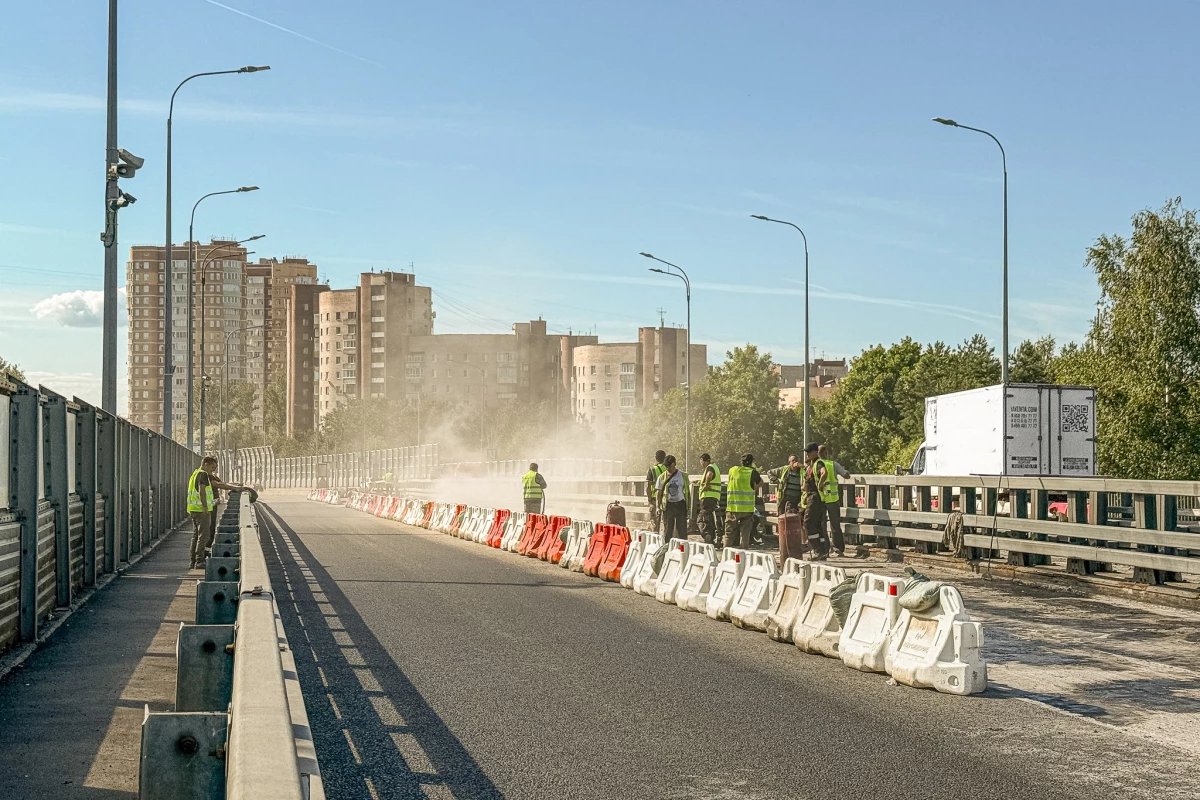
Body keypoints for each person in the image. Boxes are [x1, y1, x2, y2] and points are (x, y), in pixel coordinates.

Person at [187, 456, 249, 569]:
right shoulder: (203, 475)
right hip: (201, 510)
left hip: (193, 508)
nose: (213, 470)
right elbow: (202, 492)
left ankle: (193, 561)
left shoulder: (195, 473)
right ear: (206, 464)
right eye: (212, 467)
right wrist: (205, 507)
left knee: (196, 536)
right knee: (204, 536)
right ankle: (199, 561)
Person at [800, 443, 834, 560]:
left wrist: (820, 485)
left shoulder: (818, 463)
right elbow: (805, 485)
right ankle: (823, 551)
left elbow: (824, 473)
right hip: (812, 496)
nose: (807, 454)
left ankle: (818, 550)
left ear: (815, 452)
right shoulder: (811, 466)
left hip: (815, 497)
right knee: (817, 524)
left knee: (808, 523)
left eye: (809, 452)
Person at [724, 453, 762, 549]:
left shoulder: (732, 470)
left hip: (733, 508)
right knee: (745, 534)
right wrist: (754, 488)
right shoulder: (752, 472)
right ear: (751, 462)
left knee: (729, 533)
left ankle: (726, 554)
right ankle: (743, 555)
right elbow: (761, 482)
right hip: (747, 509)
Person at [818, 444, 850, 557]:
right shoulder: (833, 464)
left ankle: (825, 550)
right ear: (826, 453)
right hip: (833, 499)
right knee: (835, 525)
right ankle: (838, 549)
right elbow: (847, 475)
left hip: (821, 499)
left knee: (821, 525)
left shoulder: (815, 465)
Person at [655, 454, 689, 543]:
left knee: (682, 529)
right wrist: (658, 507)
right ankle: (667, 547)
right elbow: (658, 494)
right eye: (666, 466)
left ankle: (683, 548)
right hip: (668, 506)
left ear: (674, 464)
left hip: (680, 505)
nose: (667, 468)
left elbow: (687, 492)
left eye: (668, 466)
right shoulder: (662, 477)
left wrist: (688, 507)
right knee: (668, 529)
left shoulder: (683, 476)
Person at [696, 453, 721, 544]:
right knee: (709, 517)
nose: (701, 464)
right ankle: (711, 536)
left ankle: (707, 535)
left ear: (704, 460)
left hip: (707, 496)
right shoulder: (715, 467)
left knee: (702, 517)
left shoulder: (710, 468)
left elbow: (709, 475)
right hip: (714, 497)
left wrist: (706, 485)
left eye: (701, 461)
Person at [646, 450, 667, 534]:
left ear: (656, 458)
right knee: (666, 519)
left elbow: (648, 486)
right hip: (666, 497)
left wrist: (649, 498)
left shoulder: (652, 469)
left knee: (654, 519)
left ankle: (655, 535)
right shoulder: (668, 468)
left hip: (655, 497)